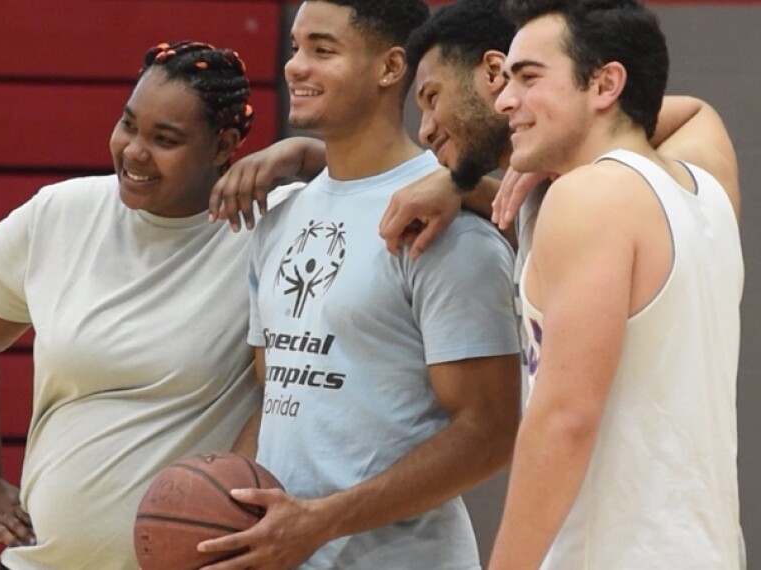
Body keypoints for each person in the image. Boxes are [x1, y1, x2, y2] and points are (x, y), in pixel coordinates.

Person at [197, 1, 522, 569]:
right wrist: (223, 515)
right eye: (296, 47)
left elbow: (492, 432)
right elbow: (282, 402)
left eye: (323, 50)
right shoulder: (278, 217)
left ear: (391, 67)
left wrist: (322, 521)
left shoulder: (442, 224)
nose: (296, 66)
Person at [0, 41, 270, 570]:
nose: (134, 151)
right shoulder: (62, 213)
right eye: (129, 125)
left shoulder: (271, 230)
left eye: (165, 139)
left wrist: (302, 154)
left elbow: (411, 181)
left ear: (224, 146)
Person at [486, 1, 744, 569]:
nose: (505, 101)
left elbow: (565, 420)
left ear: (605, 83)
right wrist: (554, 130)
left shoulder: (591, 196)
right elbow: (698, 111)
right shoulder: (706, 185)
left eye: (529, 78)